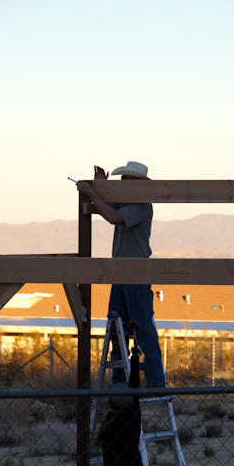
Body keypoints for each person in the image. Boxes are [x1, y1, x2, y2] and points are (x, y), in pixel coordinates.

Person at [76, 161, 165, 387]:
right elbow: (106, 207)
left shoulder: (142, 205)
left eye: (126, 181)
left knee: (142, 328)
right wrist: (99, 187)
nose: (122, 184)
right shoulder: (128, 201)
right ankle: (119, 383)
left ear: (136, 185)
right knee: (117, 327)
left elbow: (112, 216)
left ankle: (155, 384)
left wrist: (92, 191)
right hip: (121, 272)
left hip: (135, 271)